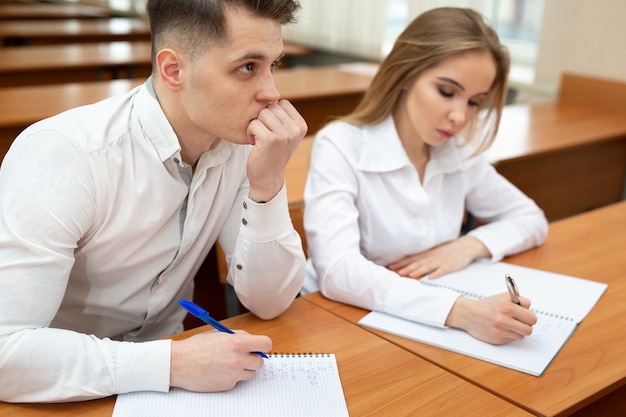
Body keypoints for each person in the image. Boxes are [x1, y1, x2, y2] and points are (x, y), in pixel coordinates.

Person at [0, 0, 307, 403]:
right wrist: (170, 363)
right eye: (247, 67)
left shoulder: (238, 148)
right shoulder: (67, 155)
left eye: (274, 65)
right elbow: (7, 352)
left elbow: (269, 302)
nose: (272, 93)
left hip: (181, 384)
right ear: (173, 70)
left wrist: (267, 185)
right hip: (65, 386)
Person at [302, 7, 548, 346]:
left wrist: (466, 246)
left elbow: (530, 218)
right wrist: (461, 312)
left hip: (416, 317)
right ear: (406, 74)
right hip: (337, 319)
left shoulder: (456, 152)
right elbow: (338, 271)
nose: (459, 116)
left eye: (475, 102)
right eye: (447, 92)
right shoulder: (341, 144)